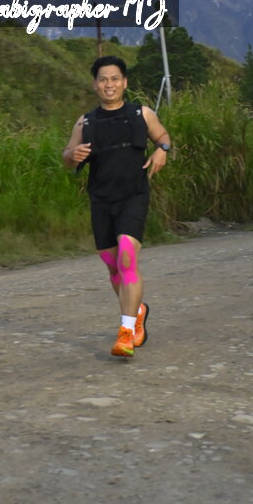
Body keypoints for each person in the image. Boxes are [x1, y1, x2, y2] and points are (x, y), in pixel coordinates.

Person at [62, 55, 170, 357]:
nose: (109, 84)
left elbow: (162, 136)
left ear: (124, 82)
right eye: (103, 79)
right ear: (95, 85)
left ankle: (126, 332)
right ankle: (137, 312)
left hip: (133, 195)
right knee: (113, 265)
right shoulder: (86, 122)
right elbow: (67, 155)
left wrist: (162, 149)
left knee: (126, 255)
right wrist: (72, 155)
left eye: (114, 79)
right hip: (100, 199)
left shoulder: (141, 114)